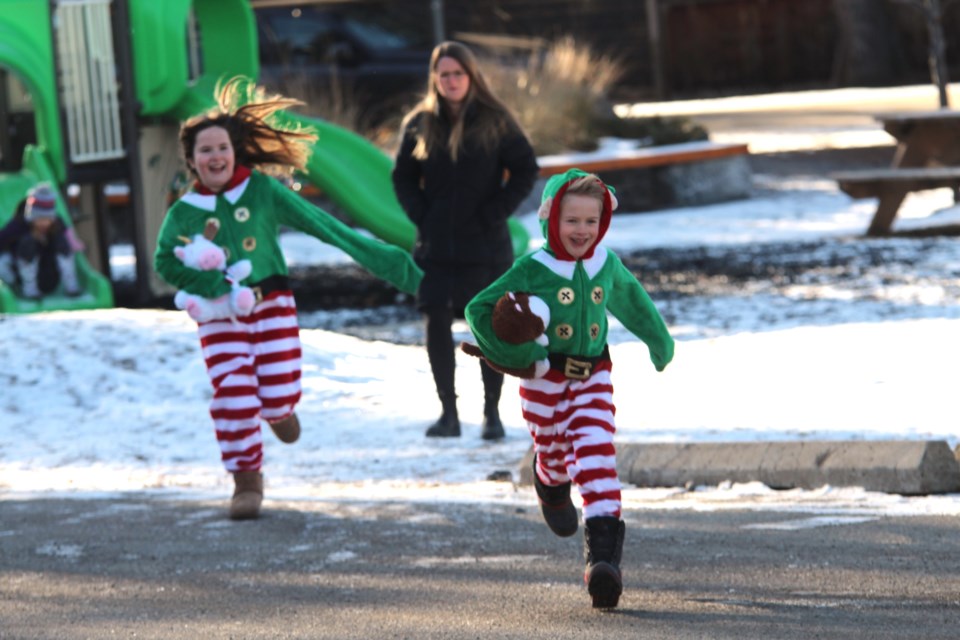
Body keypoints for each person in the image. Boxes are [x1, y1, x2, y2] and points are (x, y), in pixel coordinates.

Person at [154, 77, 423, 521]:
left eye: (221, 147)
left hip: (271, 306)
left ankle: (279, 411)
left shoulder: (262, 191)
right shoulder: (183, 212)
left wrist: (383, 259)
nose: (215, 156)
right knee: (234, 395)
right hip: (219, 316)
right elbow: (165, 261)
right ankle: (246, 480)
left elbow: (322, 224)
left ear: (234, 152)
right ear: (192, 160)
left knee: (275, 394)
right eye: (205, 151)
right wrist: (210, 287)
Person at [461, 168, 674, 609]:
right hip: (544, 381)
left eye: (591, 222)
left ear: (603, 223)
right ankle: (548, 478)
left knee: (596, 453)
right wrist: (520, 357)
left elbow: (633, 300)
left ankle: (603, 564)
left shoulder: (605, 264)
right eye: (572, 220)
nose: (582, 231)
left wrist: (658, 339)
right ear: (551, 219)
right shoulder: (532, 269)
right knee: (556, 453)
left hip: (593, 376)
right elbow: (478, 309)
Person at [391, 40, 539, 441]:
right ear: (435, 79)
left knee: (490, 328)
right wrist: (422, 215)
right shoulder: (420, 123)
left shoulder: (496, 120)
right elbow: (402, 176)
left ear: (471, 76)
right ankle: (448, 414)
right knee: (436, 321)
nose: (451, 81)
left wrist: (495, 211)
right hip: (436, 246)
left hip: (485, 245)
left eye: (458, 73)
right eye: (444, 75)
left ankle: (492, 414)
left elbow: (525, 169)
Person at [0, 183, 81, 300]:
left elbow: (70, 240)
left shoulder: (57, 225)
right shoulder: (19, 225)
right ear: (31, 217)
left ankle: (71, 287)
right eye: (39, 219)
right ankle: (28, 290)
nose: (44, 223)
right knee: (25, 244)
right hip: (21, 277)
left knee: (61, 241)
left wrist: (74, 244)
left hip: (50, 275)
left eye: (47, 219)